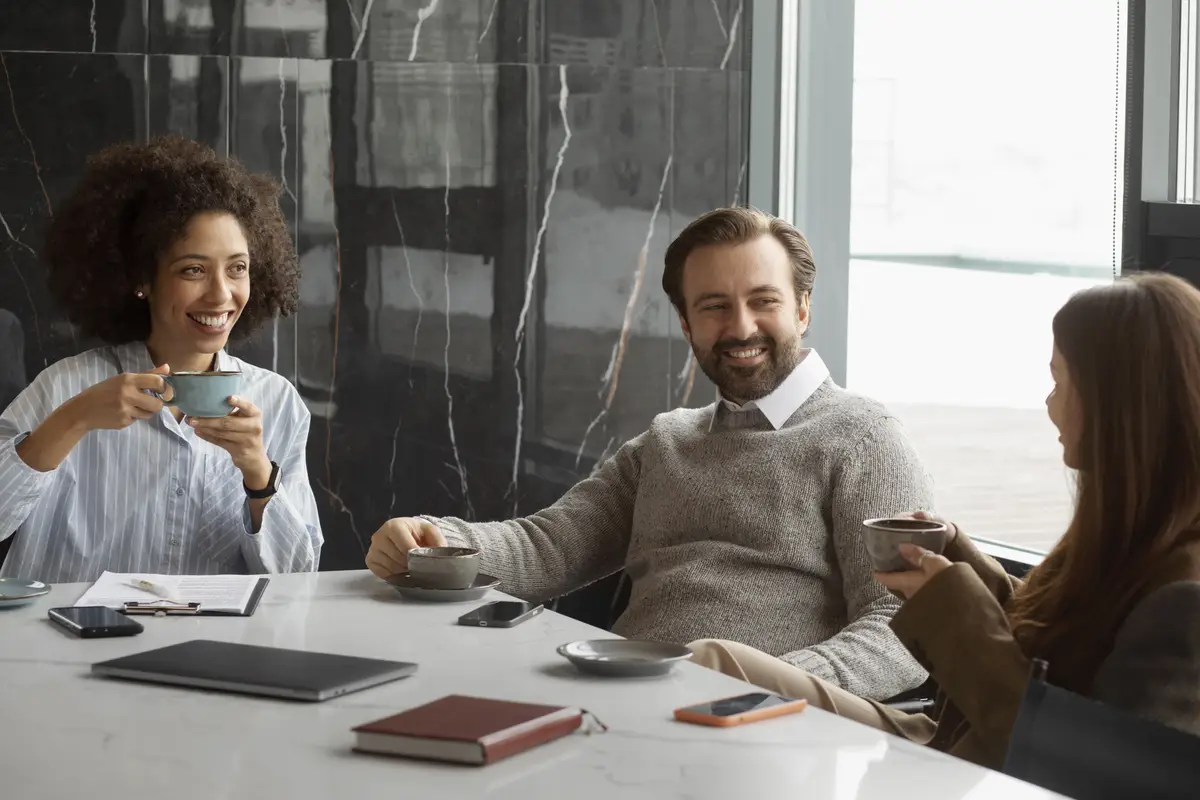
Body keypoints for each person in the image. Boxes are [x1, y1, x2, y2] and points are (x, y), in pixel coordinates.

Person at [367, 207, 933, 700]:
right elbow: (551, 547)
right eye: (714, 307)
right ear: (687, 324)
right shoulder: (669, 442)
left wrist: (768, 682)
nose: (741, 326)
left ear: (802, 310)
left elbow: (907, 623)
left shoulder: (865, 438)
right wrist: (434, 540)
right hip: (625, 699)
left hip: (761, 726)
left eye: (764, 301)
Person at [688, 272, 1200, 769]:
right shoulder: (1133, 531)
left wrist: (953, 611)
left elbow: (1087, 766)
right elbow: (1063, 648)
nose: (1049, 404)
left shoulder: (1184, 599)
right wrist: (966, 566)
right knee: (714, 661)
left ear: (1118, 406)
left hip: (981, 769)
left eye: (1059, 381)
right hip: (945, 737)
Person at [0, 135, 323, 582]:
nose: (221, 294)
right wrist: (72, 420)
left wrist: (258, 473)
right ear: (142, 279)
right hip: (64, 643)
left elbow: (299, 578)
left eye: (237, 268)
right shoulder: (66, 387)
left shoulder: (277, 401)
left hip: (209, 648)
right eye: (193, 269)